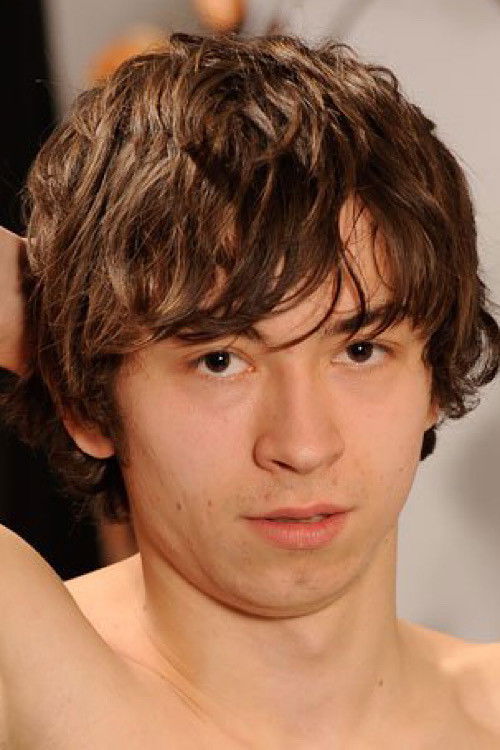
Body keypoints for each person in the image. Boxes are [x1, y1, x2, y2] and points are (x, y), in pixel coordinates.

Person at [1, 32, 500, 748]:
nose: (303, 445)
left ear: (434, 375)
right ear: (87, 403)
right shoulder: (31, 679)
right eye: (219, 361)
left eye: (360, 350)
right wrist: (59, 315)